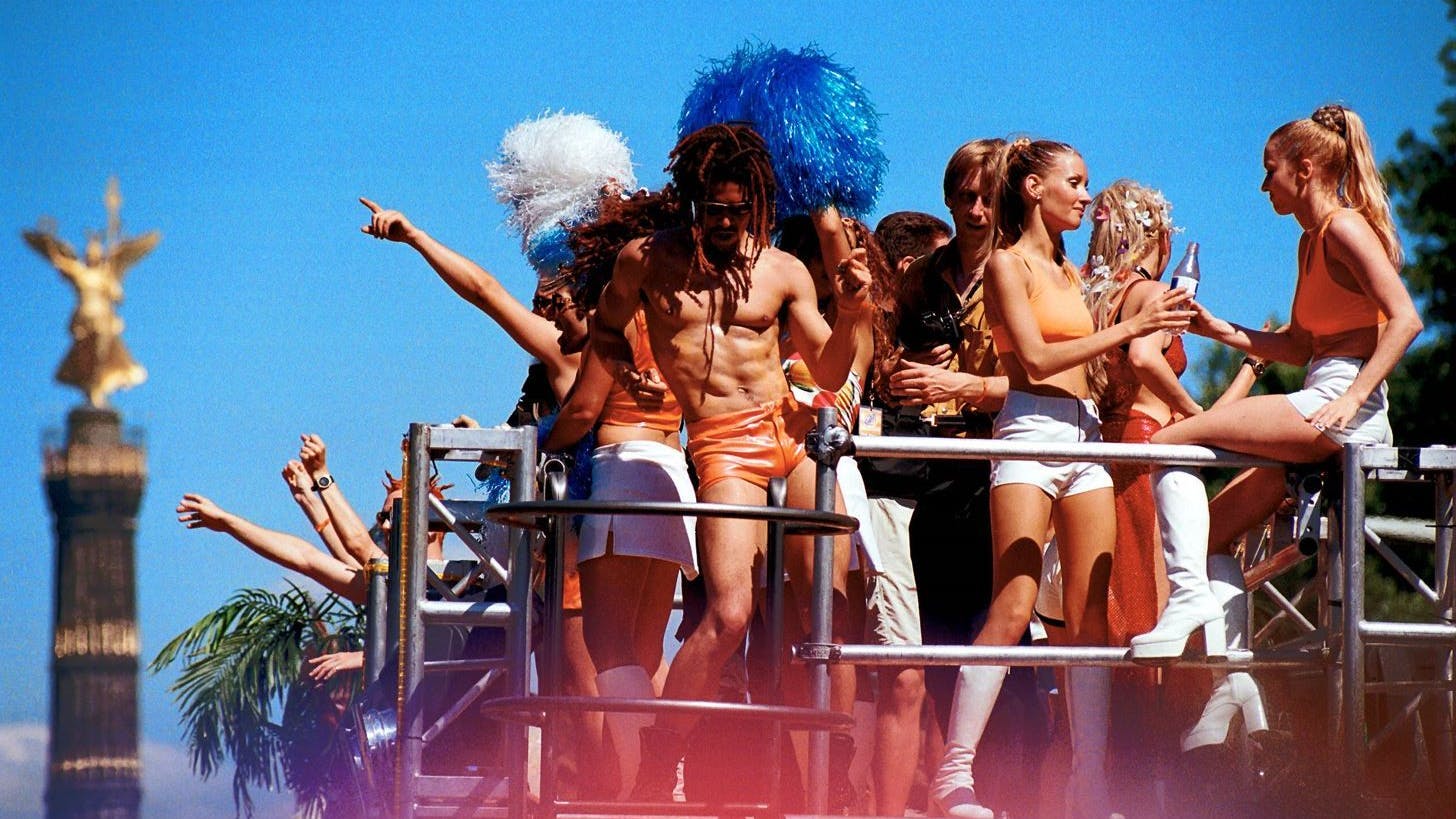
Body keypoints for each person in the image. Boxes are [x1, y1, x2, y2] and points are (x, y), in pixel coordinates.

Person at [590, 123, 872, 801]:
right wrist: (628, 373)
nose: (724, 222)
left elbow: (829, 369)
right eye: (712, 209)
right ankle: (660, 758)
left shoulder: (783, 270)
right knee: (730, 612)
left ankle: (832, 767)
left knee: (826, 609)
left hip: (792, 432)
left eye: (737, 211)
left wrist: (853, 309)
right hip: (721, 443)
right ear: (692, 201)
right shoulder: (645, 260)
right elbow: (604, 326)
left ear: (757, 206)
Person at [1135, 105, 1421, 764]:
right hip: (1321, 390)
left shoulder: (1345, 226)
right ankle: (1233, 683)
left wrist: (1353, 397)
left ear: (1305, 168)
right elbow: (1296, 344)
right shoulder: (1309, 240)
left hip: (1341, 404)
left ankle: (1187, 603)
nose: (1264, 186)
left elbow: (1405, 319)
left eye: (1270, 172)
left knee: (1168, 443)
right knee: (1212, 532)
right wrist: (1220, 330)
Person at [933, 138, 1192, 819]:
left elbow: (1093, 364)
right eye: (1074, 182)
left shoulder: (1073, 274)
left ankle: (1091, 782)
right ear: (1033, 189)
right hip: (1028, 433)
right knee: (1013, 605)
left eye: (1085, 183)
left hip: (1085, 439)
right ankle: (953, 773)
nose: (1085, 195)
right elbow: (1037, 359)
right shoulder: (1006, 265)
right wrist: (1130, 329)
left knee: (1090, 620)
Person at [540, 188, 696, 798]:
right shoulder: (688, 314)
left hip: (621, 474)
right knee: (646, 648)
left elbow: (583, 409)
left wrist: (540, 444)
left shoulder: (621, 311)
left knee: (607, 643)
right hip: (674, 474)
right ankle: (666, 776)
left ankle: (641, 785)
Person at [860, 210, 951, 817]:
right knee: (904, 675)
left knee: (947, 677)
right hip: (886, 507)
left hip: (944, 511)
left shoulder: (950, 330)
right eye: (941, 265)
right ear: (910, 265)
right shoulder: (866, 329)